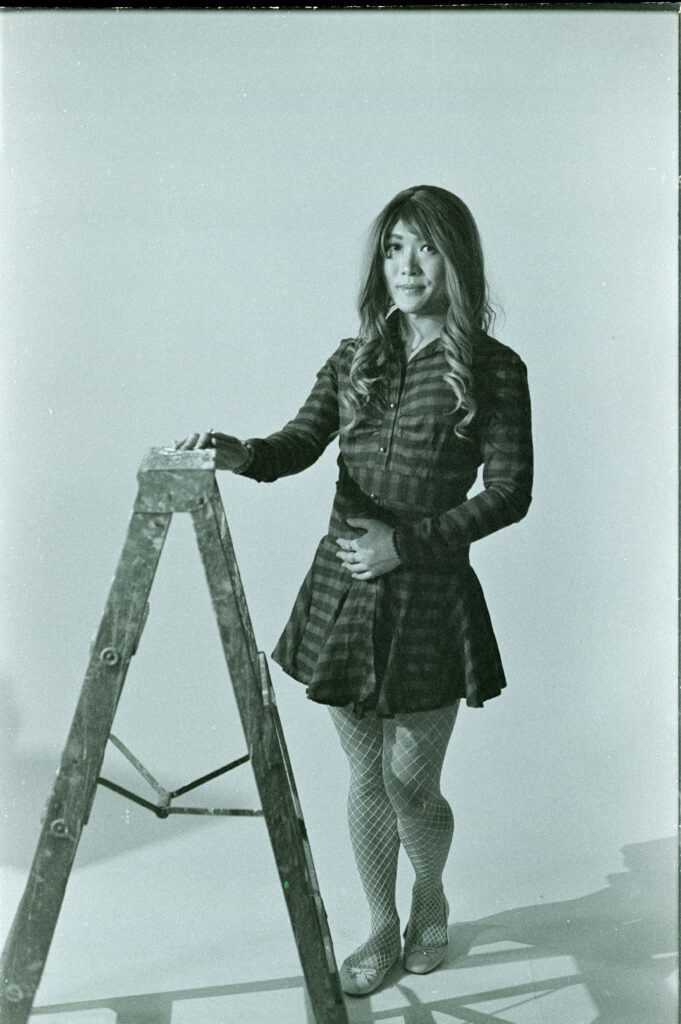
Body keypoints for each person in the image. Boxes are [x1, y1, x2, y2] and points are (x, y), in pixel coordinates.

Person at [175, 185, 533, 996]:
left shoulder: (495, 368)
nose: (406, 265)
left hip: (427, 599)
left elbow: (510, 491)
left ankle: (429, 898)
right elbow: (297, 443)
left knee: (411, 781)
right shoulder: (356, 355)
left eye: (425, 248)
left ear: (457, 260)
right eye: (393, 247)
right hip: (342, 592)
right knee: (365, 776)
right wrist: (238, 451)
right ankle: (378, 926)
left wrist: (404, 547)